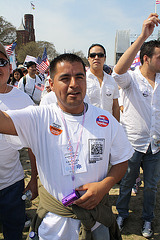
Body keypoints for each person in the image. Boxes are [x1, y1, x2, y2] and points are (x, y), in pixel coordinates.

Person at [0, 53, 134, 240]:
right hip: (54, 225)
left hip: (96, 221)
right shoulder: (39, 117)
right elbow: (3, 121)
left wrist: (104, 186)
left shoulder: (105, 120)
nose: (74, 84)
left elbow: (121, 161)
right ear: (52, 85)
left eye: (79, 77)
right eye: (64, 78)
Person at [112, 13, 160, 238]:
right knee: (127, 182)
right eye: (159, 57)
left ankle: (148, 220)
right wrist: (142, 36)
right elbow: (117, 71)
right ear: (146, 59)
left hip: (155, 146)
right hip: (132, 143)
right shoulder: (131, 79)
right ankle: (121, 213)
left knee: (151, 187)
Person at [0, 42, 38, 240]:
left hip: (11, 184)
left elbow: (33, 144)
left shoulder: (23, 100)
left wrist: (34, 179)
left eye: (1, 62)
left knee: (13, 233)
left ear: (9, 67)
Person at [86, 44, 120, 121]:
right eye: (93, 55)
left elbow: (115, 106)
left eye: (100, 55)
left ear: (104, 58)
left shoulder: (111, 80)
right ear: (88, 58)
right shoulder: (83, 80)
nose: (96, 58)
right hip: (88, 125)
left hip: (107, 127)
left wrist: (116, 127)